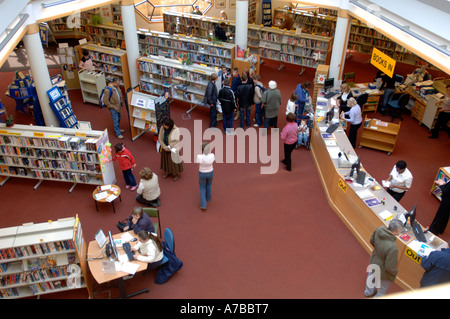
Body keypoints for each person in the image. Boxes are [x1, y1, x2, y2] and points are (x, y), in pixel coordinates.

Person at [364, 219, 404, 297]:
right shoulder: (393, 247)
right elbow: (390, 266)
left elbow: (371, 240)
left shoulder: (379, 229)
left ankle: (368, 292)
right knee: (383, 288)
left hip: (374, 260)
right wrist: (394, 273)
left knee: (371, 278)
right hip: (383, 270)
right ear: (398, 230)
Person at [196, 142, 215, 210]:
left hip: (202, 173)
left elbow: (198, 164)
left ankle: (203, 205)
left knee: (202, 187)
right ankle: (208, 198)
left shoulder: (199, 156)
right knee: (209, 185)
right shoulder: (212, 155)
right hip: (210, 172)